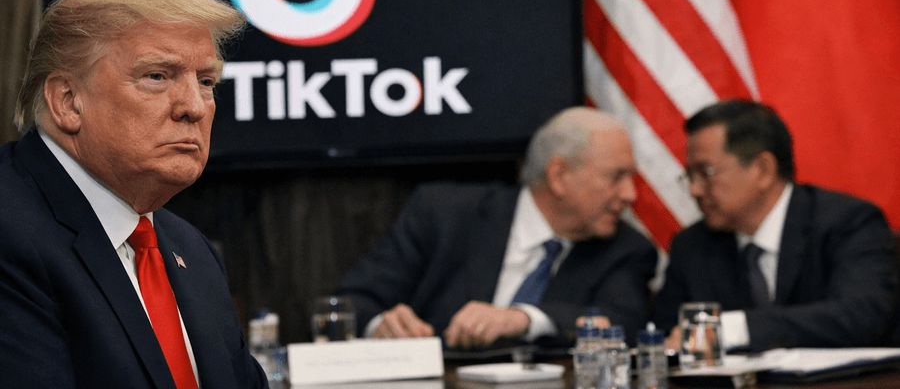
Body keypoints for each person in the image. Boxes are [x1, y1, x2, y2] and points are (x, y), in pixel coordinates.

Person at [0, 0, 268, 388]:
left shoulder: (192, 253)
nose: (194, 107)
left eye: (206, 82)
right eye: (157, 76)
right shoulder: (9, 233)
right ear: (68, 101)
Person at [337, 106, 658, 349]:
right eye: (616, 177)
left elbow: (623, 325)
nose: (630, 195)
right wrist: (381, 324)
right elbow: (352, 303)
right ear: (559, 176)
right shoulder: (444, 214)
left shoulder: (627, 250)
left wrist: (523, 318)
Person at [654, 99, 900, 352]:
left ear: (763, 169)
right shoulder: (691, 246)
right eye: (690, 176)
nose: (694, 190)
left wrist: (737, 329)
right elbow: (667, 336)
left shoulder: (848, 223)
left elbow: (860, 317)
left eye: (706, 172)